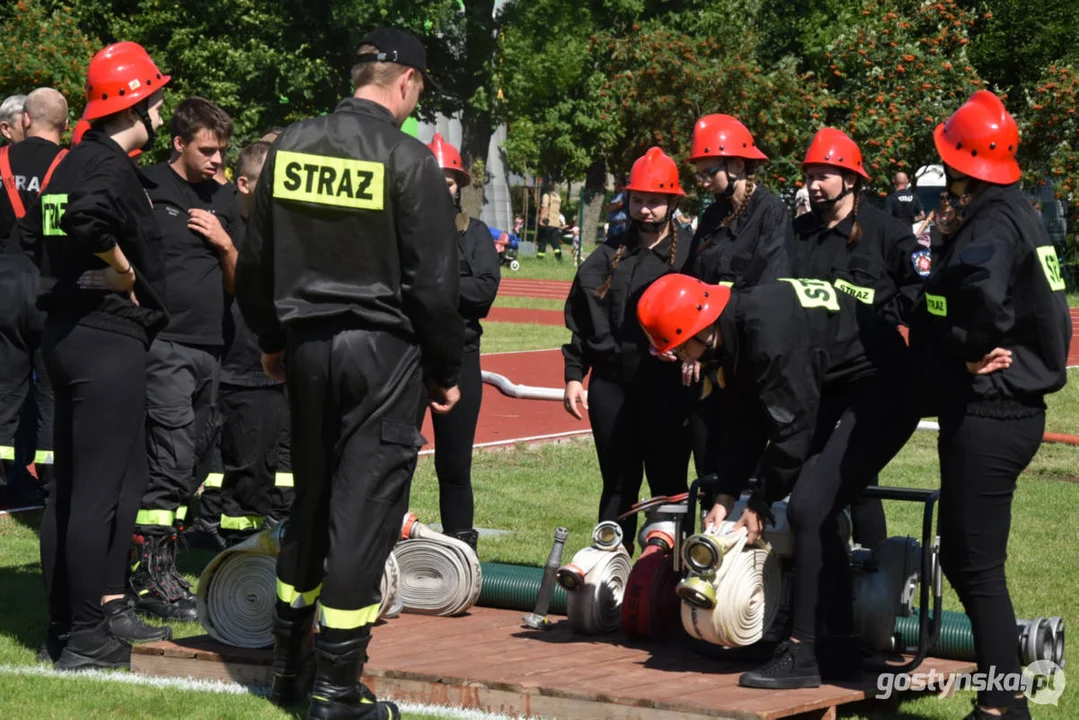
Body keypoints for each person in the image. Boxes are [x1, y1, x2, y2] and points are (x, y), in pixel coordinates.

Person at [235, 27, 463, 720]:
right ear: (407, 84)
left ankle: (283, 666)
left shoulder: (290, 147)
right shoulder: (408, 158)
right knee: (363, 511)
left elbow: (256, 260)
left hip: (305, 346)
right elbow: (431, 285)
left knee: (310, 498)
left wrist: (273, 340)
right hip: (382, 351)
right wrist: (444, 371)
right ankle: (336, 690)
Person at [637, 273, 918, 688]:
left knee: (807, 507)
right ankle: (838, 647)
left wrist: (761, 500)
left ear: (698, 328)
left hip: (884, 387)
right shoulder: (737, 324)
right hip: (840, 383)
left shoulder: (766, 334)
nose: (680, 359)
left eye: (679, 349)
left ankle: (802, 653)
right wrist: (727, 491)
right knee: (813, 510)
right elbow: (745, 420)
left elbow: (792, 431)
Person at [910, 90, 1071, 720]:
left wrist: (962, 347)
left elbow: (977, 297)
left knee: (976, 564)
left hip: (995, 407)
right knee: (964, 552)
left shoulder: (994, 222)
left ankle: (1004, 703)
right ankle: (1004, 698)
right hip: (1007, 409)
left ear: (960, 162)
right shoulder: (1015, 211)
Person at [30, 41, 174, 670]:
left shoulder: (69, 162)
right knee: (98, 492)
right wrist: (121, 270)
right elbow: (90, 225)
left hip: (64, 334)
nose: (164, 110)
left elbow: (44, 232)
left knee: (67, 493)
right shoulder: (109, 167)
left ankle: (64, 625)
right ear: (134, 103)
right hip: (105, 337)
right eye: (157, 98)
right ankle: (87, 634)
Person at [128, 97, 240, 623]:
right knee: (170, 459)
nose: (218, 160)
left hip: (212, 350)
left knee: (194, 464)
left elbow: (242, 283)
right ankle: (149, 574)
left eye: (223, 150)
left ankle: (149, 560)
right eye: (208, 150)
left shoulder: (226, 201)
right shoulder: (145, 186)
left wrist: (225, 246)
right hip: (164, 347)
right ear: (179, 144)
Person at [790, 127, 926, 551]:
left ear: (850, 179)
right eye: (809, 175)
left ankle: (871, 563)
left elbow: (922, 287)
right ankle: (818, 568)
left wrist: (886, 317)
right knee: (805, 478)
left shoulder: (886, 232)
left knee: (858, 478)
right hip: (814, 379)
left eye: (822, 176)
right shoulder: (797, 233)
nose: (812, 185)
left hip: (872, 378)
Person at [563, 147, 692, 551]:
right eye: (639, 200)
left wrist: (692, 353)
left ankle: (673, 577)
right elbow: (583, 323)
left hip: (669, 390)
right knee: (618, 483)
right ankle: (610, 572)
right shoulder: (606, 256)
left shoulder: (692, 254)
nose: (646, 210)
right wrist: (573, 376)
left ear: (672, 201)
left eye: (655, 201)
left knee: (670, 486)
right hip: (612, 388)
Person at [682, 113, 794, 480]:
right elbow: (694, 278)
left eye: (708, 172)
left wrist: (715, 334)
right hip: (707, 359)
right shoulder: (712, 216)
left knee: (739, 466)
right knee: (708, 466)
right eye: (698, 173)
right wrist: (691, 340)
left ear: (738, 164)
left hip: (745, 360)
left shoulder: (772, 213)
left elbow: (768, 286)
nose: (702, 182)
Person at [198, 141, 294, 546]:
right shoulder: (220, 216)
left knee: (258, 464)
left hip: (263, 367)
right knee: (218, 458)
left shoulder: (279, 225)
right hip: (228, 361)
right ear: (245, 183)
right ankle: (218, 533)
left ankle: (248, 539)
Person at [417, 133, 500, 551]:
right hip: (406, 359)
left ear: (459, 186)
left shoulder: (475, 233)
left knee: (454, 465)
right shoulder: (399, 229)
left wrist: (428, 285)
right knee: (391, 462)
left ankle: (459, 549)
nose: (442, 186)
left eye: (449, 180)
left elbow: (483, 293)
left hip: (460, 357)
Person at [0, 88, 69, 504]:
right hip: (49, 281)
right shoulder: (71, 166)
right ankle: (51, 480)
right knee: (50, 389)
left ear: (25, 120)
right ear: (64, 123)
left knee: (4, 384)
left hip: (4, 282)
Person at [536, 180, 563, 260]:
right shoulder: (558, 197)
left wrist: (541, 219)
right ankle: (559, 259)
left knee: (542, 241)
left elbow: (545, 208)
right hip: (555, 223)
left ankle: (540, 258)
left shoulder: (546, 196)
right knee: (556, 243)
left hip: (547, 222)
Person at [605, 175, 628, 243]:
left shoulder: (624, 195)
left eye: (617, 184)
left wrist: (611, 206)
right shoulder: (615, 196)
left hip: (620, 226)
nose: (615, 186)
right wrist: (611, 206)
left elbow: (618, 205)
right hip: (612, 226)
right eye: (614, 184)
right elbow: (606, 208)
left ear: (622, 185)